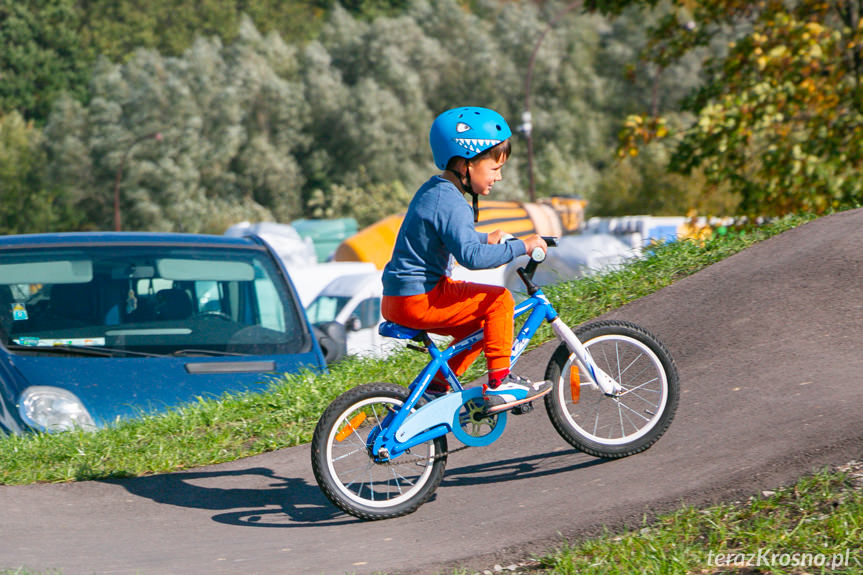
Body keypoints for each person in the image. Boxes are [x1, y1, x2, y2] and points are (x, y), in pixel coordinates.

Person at [381, 106, 551, 414]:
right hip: (421, 297)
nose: (498, 177)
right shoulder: (452, 202)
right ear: (466, 163)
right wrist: (522, 247)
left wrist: (488, 238)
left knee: (474, 328)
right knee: (499, 301)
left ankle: (434, 389)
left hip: (401, 296)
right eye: (495, 168)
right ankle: (500, 384)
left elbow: (455, 239)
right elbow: (470, 256)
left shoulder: (436, 191)